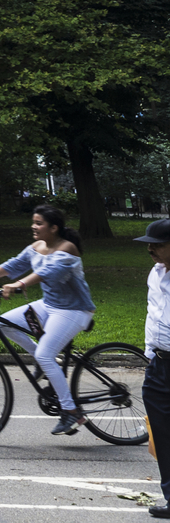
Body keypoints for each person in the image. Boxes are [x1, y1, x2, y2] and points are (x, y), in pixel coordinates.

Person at [0, 202, 95, 435]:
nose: (33, 227)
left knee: (46, 354)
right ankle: (46, 363)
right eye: (33, 222)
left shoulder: (67, 248)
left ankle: (72, 411)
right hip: (49, 305)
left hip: (74, 310)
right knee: (4, 324)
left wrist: (19, 283)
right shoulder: (37, 246)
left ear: (53, 227)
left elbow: (48, 272)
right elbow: (13, 265)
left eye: (39, 223)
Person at [133, 218, 170, 519]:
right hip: (158, 365)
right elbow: (152, 313)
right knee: (162, 435)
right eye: (149, 245)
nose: (151, 250)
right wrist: (150, 355)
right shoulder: (155, 273)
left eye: (157, 244)